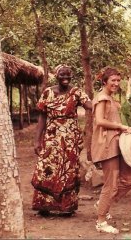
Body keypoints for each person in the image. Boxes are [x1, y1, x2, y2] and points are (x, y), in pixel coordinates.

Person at [32, 64, 92, 216]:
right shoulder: (47, 93)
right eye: (62, 75)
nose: (65, 78)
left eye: (68, 75)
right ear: (56, 76)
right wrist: (37, 140)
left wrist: (102, 99)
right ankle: (44, 205)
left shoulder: (76, 92)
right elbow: (42, 117)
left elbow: (89, 105)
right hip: (51, 137)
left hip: (70, 138)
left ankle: (67, 206)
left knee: (68, 169)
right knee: (47, 168)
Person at [91, 67, 131, 234]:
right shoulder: (102, 98)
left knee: (130, 180)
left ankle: (102, 205)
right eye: (113, 81)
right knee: (110, 184)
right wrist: (120, 126)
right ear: (104, 82)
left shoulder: (109, 98)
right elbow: (100, 120)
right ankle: (101, 221)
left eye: (118, 80)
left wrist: (123, 131)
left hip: (117, 144)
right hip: (106, 145)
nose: (116, 83)